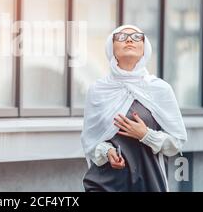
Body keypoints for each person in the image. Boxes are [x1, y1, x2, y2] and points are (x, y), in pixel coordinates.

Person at [80, 24, 187, 192]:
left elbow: (177, 142)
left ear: (144, 49)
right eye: (121, 37)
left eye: (137, 37)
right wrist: (108, 152)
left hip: (148, 182)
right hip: (104, 184)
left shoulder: (160, 89)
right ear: (111, 48)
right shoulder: (97, 90)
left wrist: (146, 135)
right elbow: (90, 141)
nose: (129, 39)